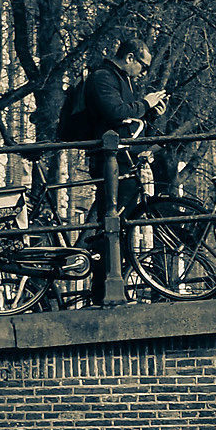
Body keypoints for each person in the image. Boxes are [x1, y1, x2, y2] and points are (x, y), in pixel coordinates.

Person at [64, 34, 163, 303]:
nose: (143, 73)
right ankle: (97, 286)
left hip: (122, 160)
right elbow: (115, 112)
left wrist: (151, 112)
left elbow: (127, 120)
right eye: (142, 66)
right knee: (110, 224)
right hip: (108, 161)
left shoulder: (123, 79)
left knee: (119, 223)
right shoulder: (103, 77)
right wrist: (146, 103)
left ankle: (103, 284)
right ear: (130, 57)